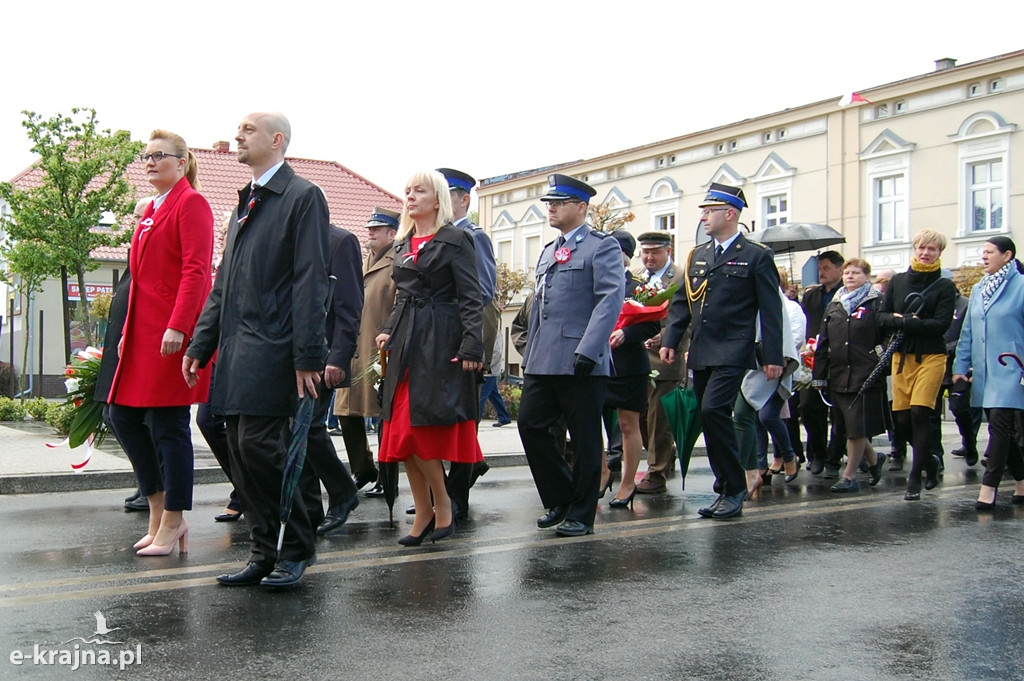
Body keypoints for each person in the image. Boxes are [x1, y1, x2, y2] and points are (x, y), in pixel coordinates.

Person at [184, 112, 329, 587]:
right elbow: (222, 283)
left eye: (247, 130)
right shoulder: (245, 202)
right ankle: (264, 550)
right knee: (242, 452)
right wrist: (202, 343)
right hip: (237, 348)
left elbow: (311, 280)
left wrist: (308, 354)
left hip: (276, 347)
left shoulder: (302, 197)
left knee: (264, 448)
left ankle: (296, 550)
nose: (237, 136)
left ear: (276, 139)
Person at [108, 130, 214, 556]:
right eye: (145, 156)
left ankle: (174, 519)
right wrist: (126, 334)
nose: (149, 162)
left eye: (159, 156)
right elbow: (139, 282)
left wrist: (181, 327)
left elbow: (196, 272)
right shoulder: (151, 209)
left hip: (171, 333)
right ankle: (157, 507)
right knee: (122, 417)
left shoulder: (192, 203)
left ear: (182, 160)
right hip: (142, 335)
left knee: (169, 426)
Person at [660, 182, 783, 520]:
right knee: (707, 415)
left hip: (734, 347)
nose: (703, 216)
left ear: (730, 214)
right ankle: (726, 487)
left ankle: (735, 486)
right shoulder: (698, 255)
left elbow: (771, 310)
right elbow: (682, 302)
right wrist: (670, 340)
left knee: (715, 410)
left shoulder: (756, 255)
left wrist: (773, 356)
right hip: (702, 349)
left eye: (709, 210)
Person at [375, 170, 484, 546]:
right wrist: (389, 329)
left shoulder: (456, 239)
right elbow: (402, 296)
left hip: (440, 341)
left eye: (419, 190)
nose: (410, 196)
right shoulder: (403, 242)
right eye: (406, 191)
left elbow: (471, 297)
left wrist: (472, 346)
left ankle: (444, 507)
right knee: (402, 437)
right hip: (406, 343)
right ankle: (424, 513)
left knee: (420, 435)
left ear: (437, 199)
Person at [518, 173, 624, 537]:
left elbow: (610, 300)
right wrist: (530, 356)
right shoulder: (548, 251)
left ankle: (582, 512)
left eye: (559, 202)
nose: (551, 208)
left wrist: (590, 348)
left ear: (581, 207)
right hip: (545, 358)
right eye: (549, 203)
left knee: (585, 438)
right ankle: (561, 495)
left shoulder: (601, 246)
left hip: (582, 358)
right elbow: (540, 309)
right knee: (530, 424)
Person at [878, 228, 958, 501]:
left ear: (939, 253)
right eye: (922, 248)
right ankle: (930, 460)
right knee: (901, 418)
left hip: (932, 357)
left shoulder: (945, 286)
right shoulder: (898, 281)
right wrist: (903, 321)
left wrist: (908, 321)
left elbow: (941, 325)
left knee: (921, 413)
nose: (925, 253)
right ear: (914, 249)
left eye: (932, 249)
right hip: (902, 357)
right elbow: (882, 317)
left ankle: (916, 476)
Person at [437, 168, 496, 518]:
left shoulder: (474, 237)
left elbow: (483, 290)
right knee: (442, 415)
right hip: (438, 339)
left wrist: (469, 343)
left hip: (462, 338)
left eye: (449, 196)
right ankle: (454, 482)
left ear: (463, 200)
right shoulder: (436, 236)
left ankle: (456, 495)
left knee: (461, 417)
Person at [301, 223, 364, 535]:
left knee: (308, 428)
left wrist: (339, 356)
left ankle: (343, 492)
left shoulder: (340, 241)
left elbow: (350, 306)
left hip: (322, 353)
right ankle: (310, 509)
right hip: (287, 352)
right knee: (292, 434)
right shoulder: (289, 237)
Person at [952, 236, 1024, 510]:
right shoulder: (980, 288)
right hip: (985, 372)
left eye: (990, 252)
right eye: (982, 252)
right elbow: (967, 333)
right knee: (1001, 427)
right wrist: (960, 367)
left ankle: (988, 486)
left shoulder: (1021, 287)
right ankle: (1021, 480)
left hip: (1013, 369)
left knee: (1000, 427)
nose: (984, 256)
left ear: (1007, 256)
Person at [334, 207, 400, 497]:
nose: (370, 232)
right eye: (369, 227)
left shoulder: (397, 263)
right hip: (352, 350)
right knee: (345, 411)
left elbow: (401, 306)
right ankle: (363, 469)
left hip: (380, 352)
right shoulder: (362, 263)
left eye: (377, 228)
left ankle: (388, 478)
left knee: (384, 415)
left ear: (392, 233)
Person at [812, 259, 890, 492]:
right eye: (847, 273)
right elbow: (823, 341)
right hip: (838, 373)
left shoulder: (876, 302)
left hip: (864, 373)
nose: (850, 276)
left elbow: (888, 334)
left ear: (867, 276)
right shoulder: (835, 304)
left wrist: (878, 357)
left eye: (856, 273)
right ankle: (875, 460)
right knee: (849, 426)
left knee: (856, 426)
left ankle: (849, 476)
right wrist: (819, 375)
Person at [95, 197, 149, 514]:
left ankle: (152, 484)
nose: (136, 222)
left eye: (141, 216)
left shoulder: (146, 255)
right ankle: (145, 481)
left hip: (134, 351)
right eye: (134, 217)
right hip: (117, 350)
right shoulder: (134, 255)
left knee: (128, 419)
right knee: (111, 416)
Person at [602, 231, 659, 508]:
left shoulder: (639, 287)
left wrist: (627, 332)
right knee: (589, 420)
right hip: (598, 362)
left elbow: (652, 323)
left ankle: (627, 483)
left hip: (629, 364)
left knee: (628, 423)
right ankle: (601, 472)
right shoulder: (595, 281)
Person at [634, 231, 690, 493]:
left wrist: (664, 337)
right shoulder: (639, 278)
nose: (649, 257)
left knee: (659, 419)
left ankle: (656, 473)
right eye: (645, 252)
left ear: (668, 251)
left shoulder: (679, 278)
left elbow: (687, 319)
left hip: (666, 358)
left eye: (655, 252)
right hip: (640, 359)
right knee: (642, 417)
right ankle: (664, 457)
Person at [800, 250, 846, 478]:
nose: (822, 272)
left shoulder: (846, 294)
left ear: (840, 269)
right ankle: (816, 454)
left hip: (839, 358)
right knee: (809, 407)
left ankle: (834, 458)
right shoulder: (812, 295)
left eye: (827, 268)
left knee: (839, 411)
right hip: (814, 357)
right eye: (820, 268)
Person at [479, 331, 513, 427]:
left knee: (481, 395)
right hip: (489, 369)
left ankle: (475, 418)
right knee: (494, 395)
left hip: (489, 370)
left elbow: (496, 352)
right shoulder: (492, 331)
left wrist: (485, 365)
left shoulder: (494, 332)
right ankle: (504, 417)